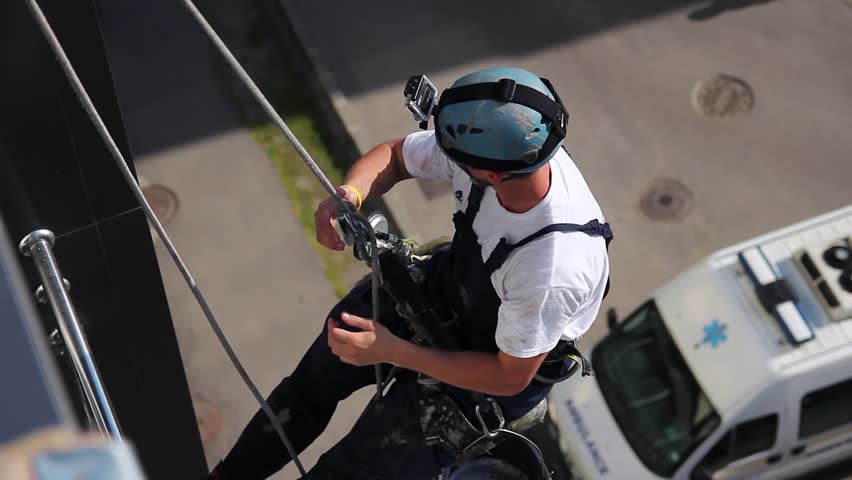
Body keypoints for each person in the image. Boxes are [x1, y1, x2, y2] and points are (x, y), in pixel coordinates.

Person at [209, 67, 611, 480]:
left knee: (351, 472)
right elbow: (397, 156)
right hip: (454, 288)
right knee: (313, 382)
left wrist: (391, 351)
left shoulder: (551, 268)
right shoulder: (508, 150)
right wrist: (350, 193)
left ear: (492, 176)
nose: (443, 155)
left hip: (494, 369)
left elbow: (508, 375)